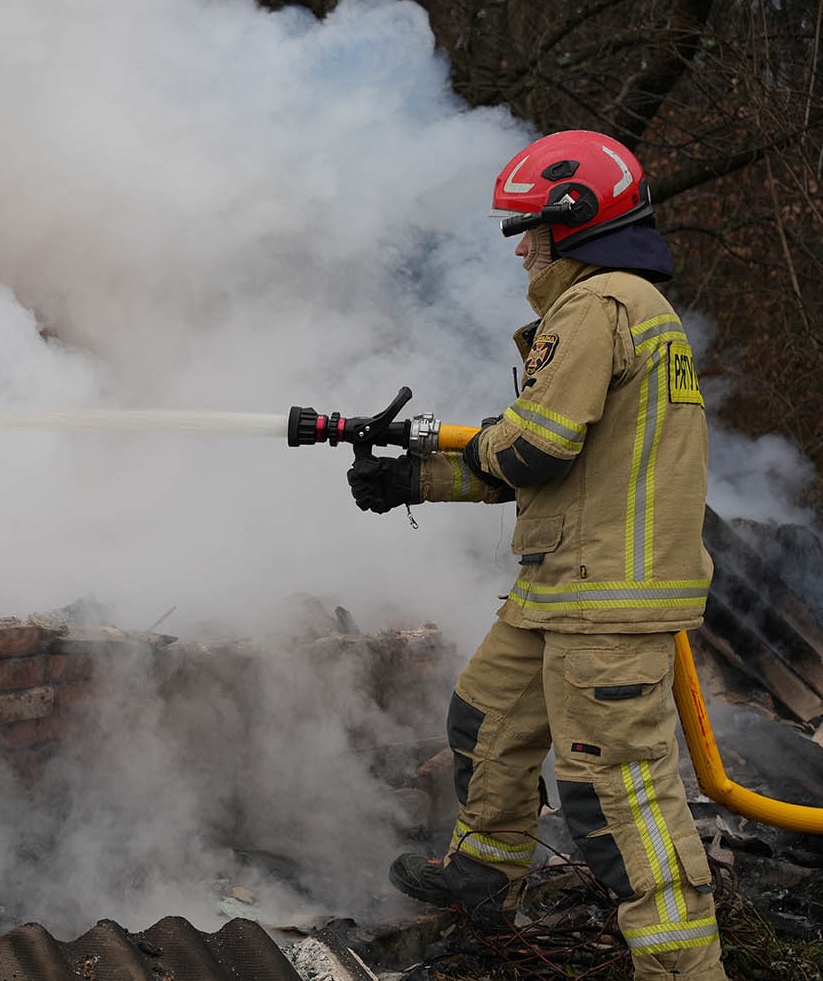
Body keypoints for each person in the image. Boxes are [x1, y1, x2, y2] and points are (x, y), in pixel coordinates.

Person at [347, 130, 726, 981]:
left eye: (529, 230)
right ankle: (484, 879)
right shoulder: (621, 307)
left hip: (604, 604)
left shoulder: (596, 307)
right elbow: (552, 465)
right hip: (563, 589)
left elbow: (532, 449)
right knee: (485, 721)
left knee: (618, 799)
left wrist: (434, 463)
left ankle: (682, 969)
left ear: (573, 220)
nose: (521, 247)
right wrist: (414, 479)